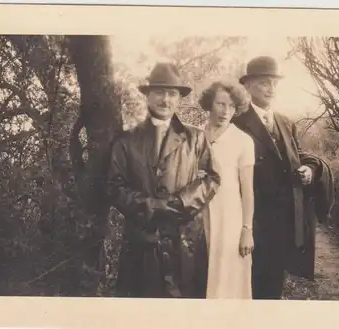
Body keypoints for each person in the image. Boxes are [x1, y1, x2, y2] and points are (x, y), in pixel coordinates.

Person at [106, 62, 221, 298]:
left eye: (172, 93)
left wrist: (181, 203)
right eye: (159, 92)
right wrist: (149, 206)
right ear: (147, 95)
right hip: (142, 241)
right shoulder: (127, 140)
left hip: (185, 243)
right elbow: (114, 186)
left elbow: (212, 178)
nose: (165, 100)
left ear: (179, 98)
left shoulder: (196, 138)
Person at [231, 56, 324, 299]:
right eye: (264, 83)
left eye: (274, 83)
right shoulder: (237, 123)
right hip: (254, 221)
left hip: (284, 222)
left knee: (273, 287)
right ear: (248, 86)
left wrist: (309, 169)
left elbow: (298, 155)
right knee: (251, 285)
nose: (271, 89)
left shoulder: (285, 122)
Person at [199, 80, 255, 299]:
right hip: (197, 214)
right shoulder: (194, 135)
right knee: (200, 275)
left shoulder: (243, 141)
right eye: (221, 104)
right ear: (209, 104)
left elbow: (248, 190)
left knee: (228, 279)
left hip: (229, 217)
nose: (226, 111)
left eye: (232, 106)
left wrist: (246, 230)